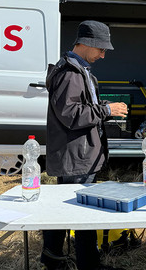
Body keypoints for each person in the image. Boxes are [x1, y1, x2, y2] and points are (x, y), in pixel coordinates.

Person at [42, 20, 128, 270]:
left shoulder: (79, 70)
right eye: (101, 49)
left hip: (79, 154)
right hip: (76, 156)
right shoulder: (70, 73)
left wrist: (103, 110)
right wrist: (106, 110)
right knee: (81, 213)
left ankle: (54, 259)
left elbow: (77, 109)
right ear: (88, 44)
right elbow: (70, 114)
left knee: (71, 211)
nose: (103, 55)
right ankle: (84, 265)